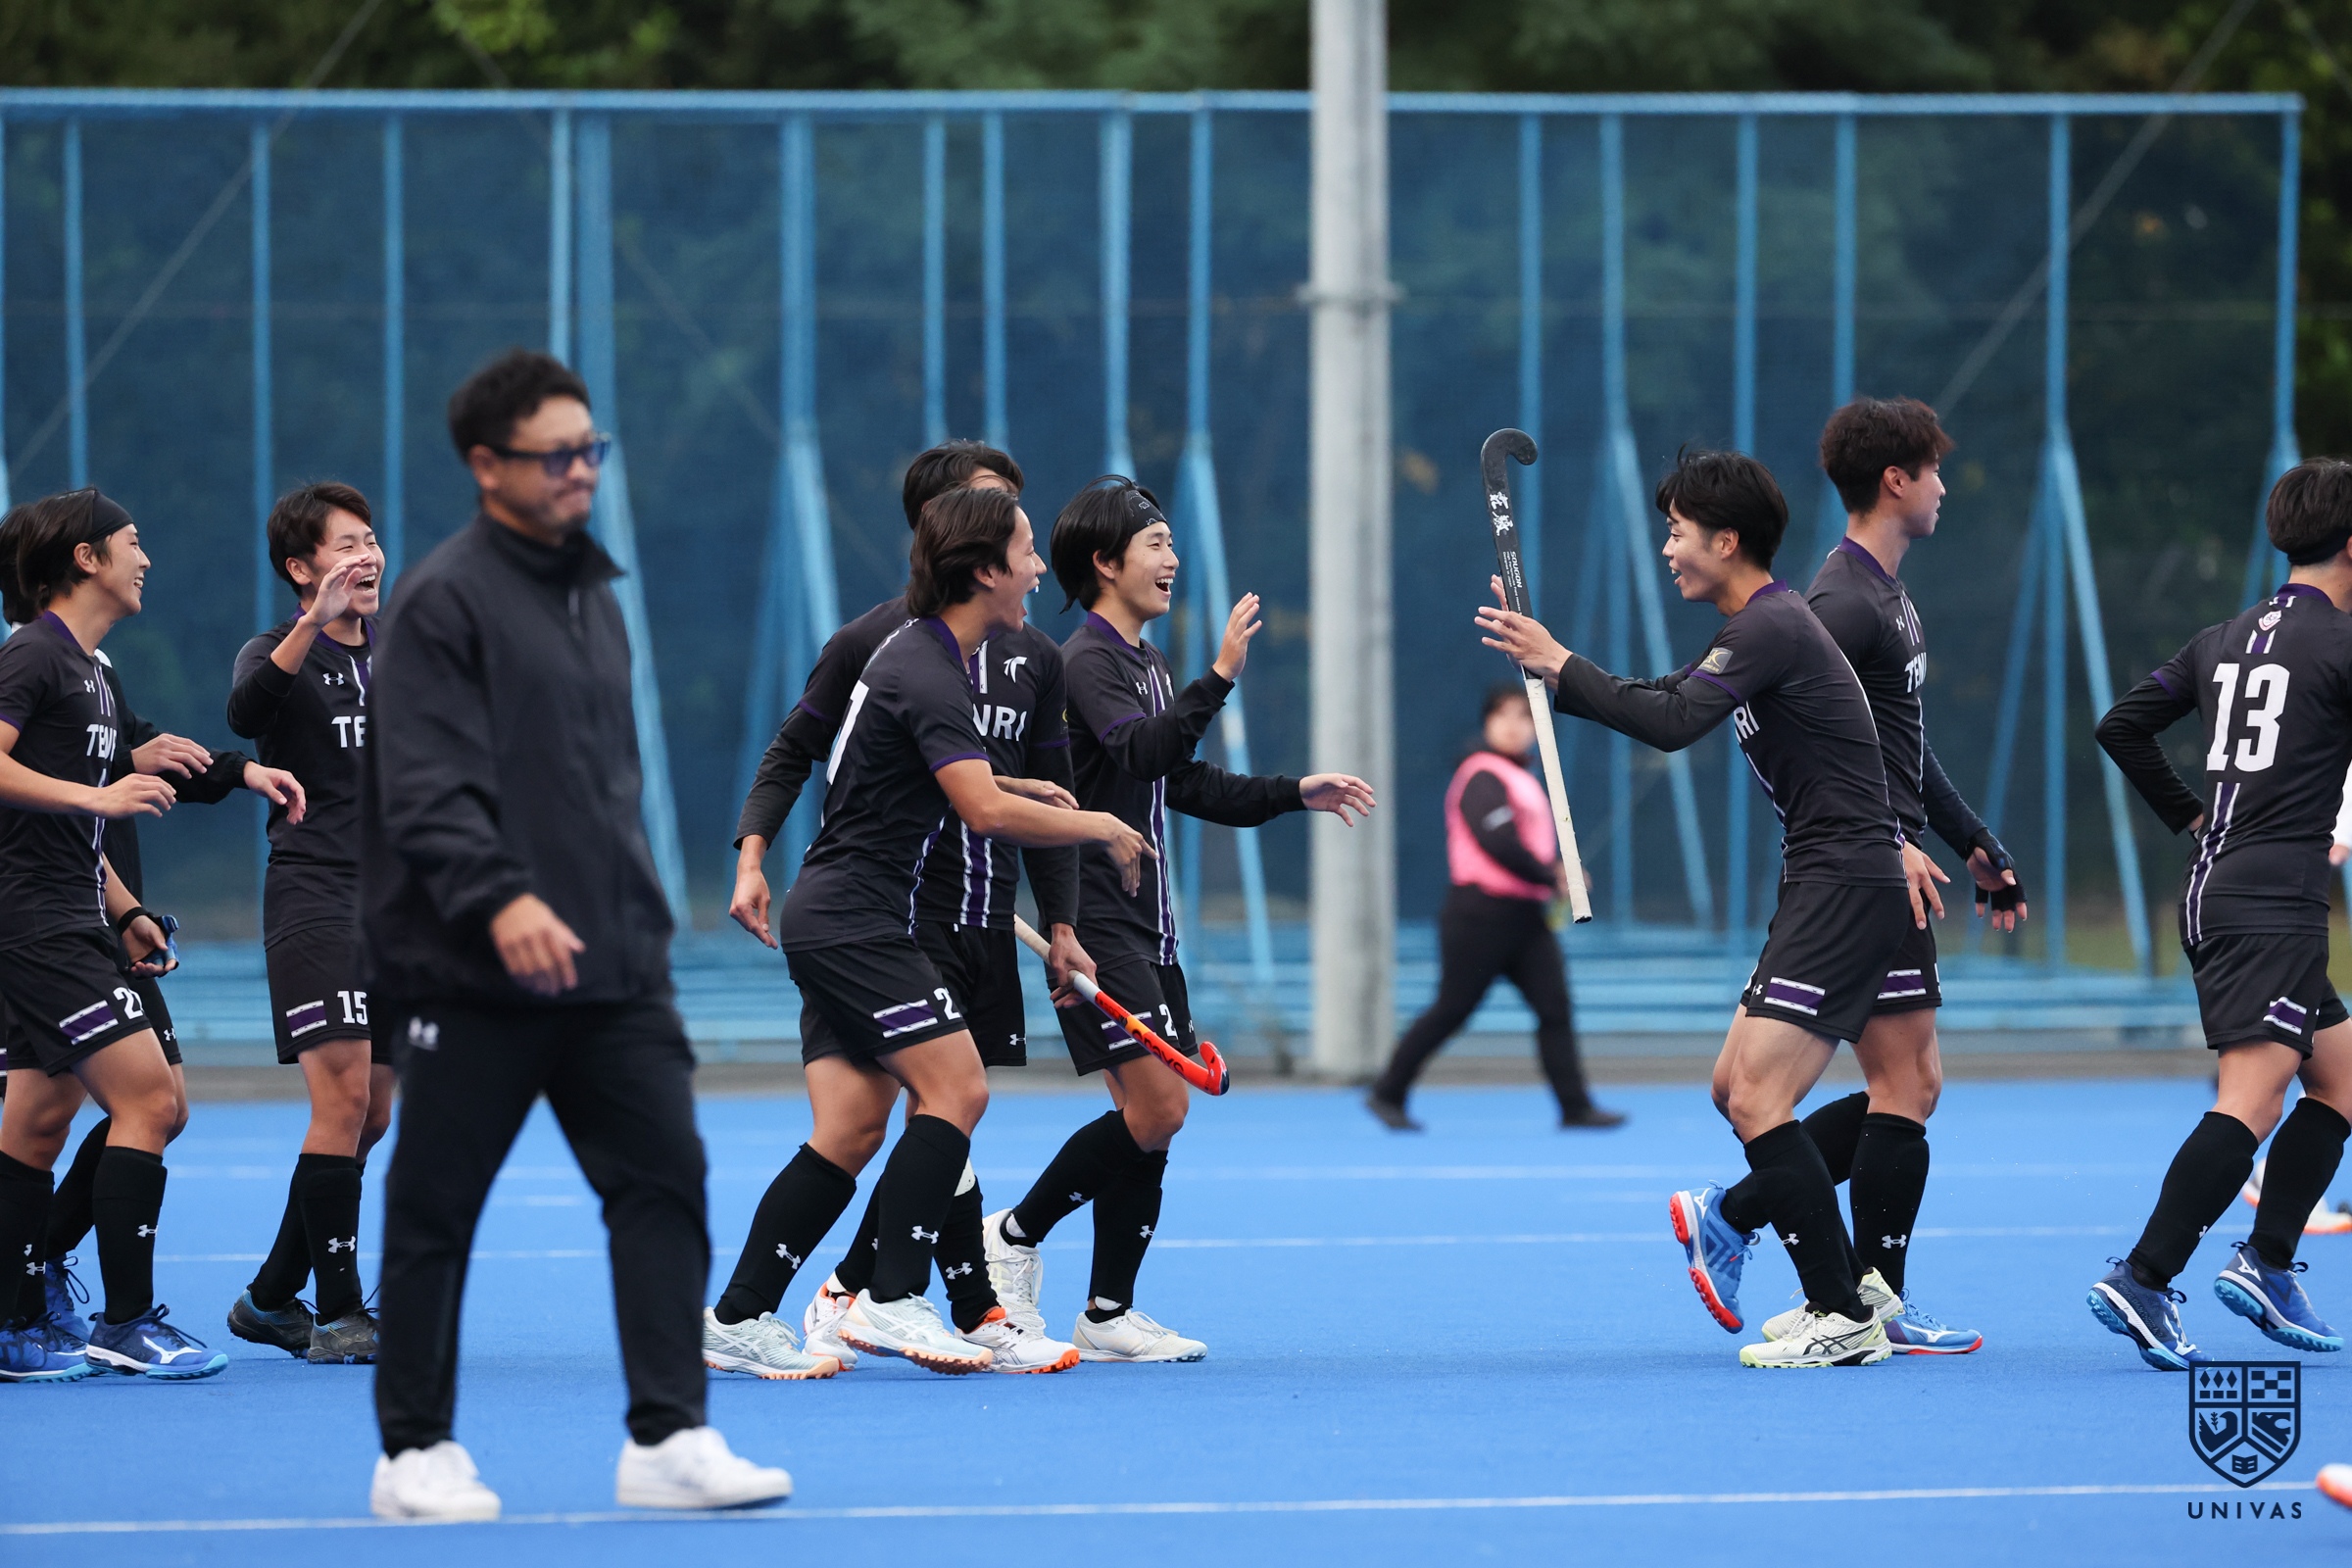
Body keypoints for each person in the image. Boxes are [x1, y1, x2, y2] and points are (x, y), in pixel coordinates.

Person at [363, 349, 788, 1517]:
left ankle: (668, 1436)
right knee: (436, 1206)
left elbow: (602, 785)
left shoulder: (595, 594)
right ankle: (413, 1453)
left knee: (666, 1182)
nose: (580, 471)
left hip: (613, 968)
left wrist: (638, 922)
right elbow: (424, 786)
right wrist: (500, 898)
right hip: (473, 969)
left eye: (589, 450)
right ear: (486, 465)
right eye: (555, 455)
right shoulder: (442, 600)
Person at [1478, 449, 1908, 1369]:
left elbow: (1672, 725)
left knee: (1760, 1095)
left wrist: (1561, 662)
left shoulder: (1773, 624)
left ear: (1727, 539)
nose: (1668, 549)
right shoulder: (1754, 628)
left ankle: (1841, 1310)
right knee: (1734, 1089)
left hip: (1845, 882)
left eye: (1677, 533)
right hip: (1825, 879)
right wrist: (1550, 665)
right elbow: (1667, 699)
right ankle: (1796, 1258)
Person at [982, 478, 1376, 1363]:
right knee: (1161, 1107)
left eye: (1169, 542)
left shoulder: (1149, 665)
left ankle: (1107, 1312)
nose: (1172, 558)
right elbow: (1142, 749)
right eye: (1155, 543)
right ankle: (1013, 1233)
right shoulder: (1085, 660)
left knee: (1149, 1120)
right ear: (1105, 562)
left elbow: (1183, 781)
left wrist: (1296, 792)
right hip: (1092, 919)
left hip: (1149, 925)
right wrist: (1221, 677)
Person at [757, 484, 1148, 1376]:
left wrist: (1024, 787)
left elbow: (952, 782)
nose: (1039, 568)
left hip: (855, 912)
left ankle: (740, 1314)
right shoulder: (925, 664)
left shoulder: (942, 657)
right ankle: (893, 1298)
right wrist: (1099, 823)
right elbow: (979, 810)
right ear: (983, 570)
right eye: (1025, 550)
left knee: (852, 1128)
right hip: (856, 916)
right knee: (957, 1089)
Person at [1742, 397, 2019, 1357]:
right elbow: (1805, 740)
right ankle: (1843, 1287)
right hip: (1869, 873)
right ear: (1896, 480)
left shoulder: (1887, 596)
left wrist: (1970, 836)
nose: (1944, 485)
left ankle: (1842, 1280)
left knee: (1912, 1081)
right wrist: (1886, 837)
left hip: (1890, 858)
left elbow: (1900, 746)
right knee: (1894, 1081)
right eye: (1934, 470)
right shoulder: (1841, 603)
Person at [0, 490, 294, 1381]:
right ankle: (125, 1324)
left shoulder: (92, 671)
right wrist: (100, 793)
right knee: (153, 1102)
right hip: (37, 924)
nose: (146, 559)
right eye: (132, 542)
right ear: (85, 558)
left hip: (71, 915)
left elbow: (81, 820)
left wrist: (125, 908)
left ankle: (13, 1322)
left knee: (38, 1125)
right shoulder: (33, 652)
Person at [2086, 457, 2352, 1371]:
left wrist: (2191, 815)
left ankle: (2269, 1261)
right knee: (2253, 1097)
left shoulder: (2223, 638)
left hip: (2221, 885)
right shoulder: (2341, 644)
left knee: (2342, 1079)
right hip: (2271, 903)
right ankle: (2145, 1277)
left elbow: (2120, 725)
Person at [222, 481, 398, 1367]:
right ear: (302, 568)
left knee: (375, 1114)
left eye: (372, 540)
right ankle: (340, 1312)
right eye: (347, 545)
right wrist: (311, 626)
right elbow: (245, 715)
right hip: (316, 896)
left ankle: (267, 1298)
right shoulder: (274, 651)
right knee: (343, 1101)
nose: (368, 556)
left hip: (398, 910)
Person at [1366, 684, 1619, 1131]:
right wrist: (1553, 877)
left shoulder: (1522, 777)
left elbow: (1527, 846)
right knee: (1452, 1008)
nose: (1513, 726)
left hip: (1525, 917)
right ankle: (1388, 1092)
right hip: (1480, 914)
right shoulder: (1481, 774)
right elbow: (1498, 841)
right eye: (1503, 715)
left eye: (1523, 717)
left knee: (1554, 1008)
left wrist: (1555, 873)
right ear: (1486, 723)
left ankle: (1575, 1107)